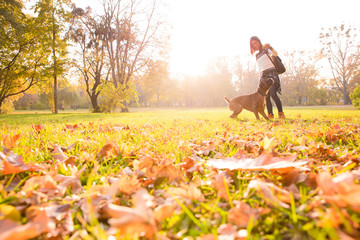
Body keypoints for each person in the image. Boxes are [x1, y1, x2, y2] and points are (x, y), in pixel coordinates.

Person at [250, 36, 285, 119]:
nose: (255, 45)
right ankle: (270, 115)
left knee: (273, 93)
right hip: (264, 75)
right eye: (253, 44)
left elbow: (275, 54)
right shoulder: (257, 55)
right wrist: (260, 79)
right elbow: (260, 68)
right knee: (267, 96)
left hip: (272, 73)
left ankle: (281, 114)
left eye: (256, 42)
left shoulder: (266, 50)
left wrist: (271, 47)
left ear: (259, 41)